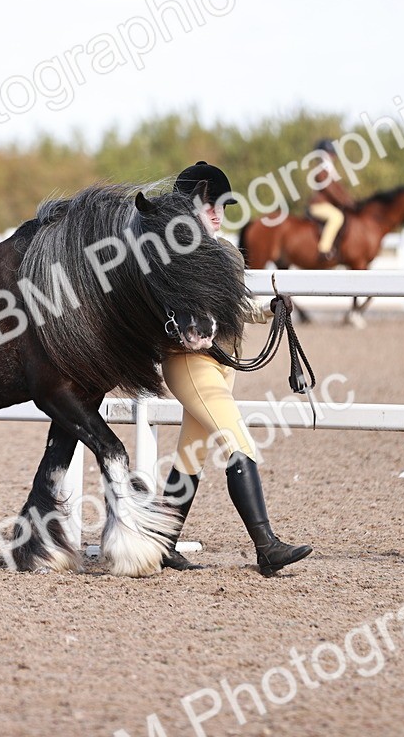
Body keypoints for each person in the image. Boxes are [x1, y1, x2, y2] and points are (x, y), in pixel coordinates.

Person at [161, 161, 312, 576]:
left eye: (220, 205)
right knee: (238, 442)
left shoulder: (226, 252)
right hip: (190, 363)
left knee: (190, 455)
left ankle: (163, 543)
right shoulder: (175, 253)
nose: (216, 212)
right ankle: (266, 546)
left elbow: (236, 307)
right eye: (206, 204)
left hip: (222, 366)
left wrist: (270, 310)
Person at [308, 139, 356, 263]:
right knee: (337, 217)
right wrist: (345, 202)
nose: (333, 157)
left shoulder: (329, 171)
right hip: (319, 206)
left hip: (327, 205)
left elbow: (339, 190)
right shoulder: (321, 171)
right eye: (330, 154)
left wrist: (350, 201)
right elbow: (331, 190)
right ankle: (324, 249)